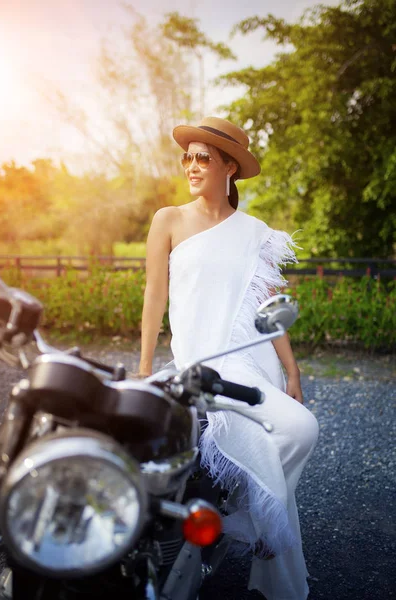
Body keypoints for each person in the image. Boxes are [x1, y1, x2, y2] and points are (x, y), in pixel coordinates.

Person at [138, 116, 319, 600]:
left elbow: (268, 307)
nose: (191, 166)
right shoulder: (168, 219)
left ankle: (241, 517)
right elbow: (154, 297)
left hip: (249, 363)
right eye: (188, 157)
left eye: (203, 157)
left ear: (229, 167)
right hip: (198, 364)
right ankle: (254, 527)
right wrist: (142, 368)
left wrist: (293, 369)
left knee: (301, 428)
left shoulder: (254, 232)